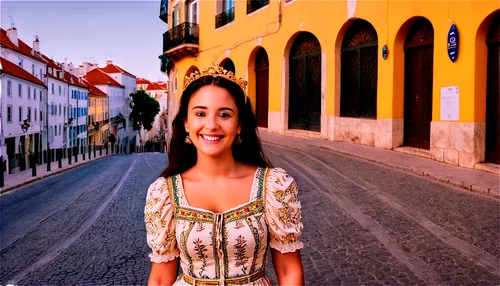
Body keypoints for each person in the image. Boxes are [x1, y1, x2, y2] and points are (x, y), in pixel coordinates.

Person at [144, 65, 304, 285]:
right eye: (200, 113)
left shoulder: (273, 186)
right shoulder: (164, 194)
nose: (211, 125)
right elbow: (161, 278)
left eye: (224, 114)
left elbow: (289, 270)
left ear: (239, 125)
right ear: (186, 123)